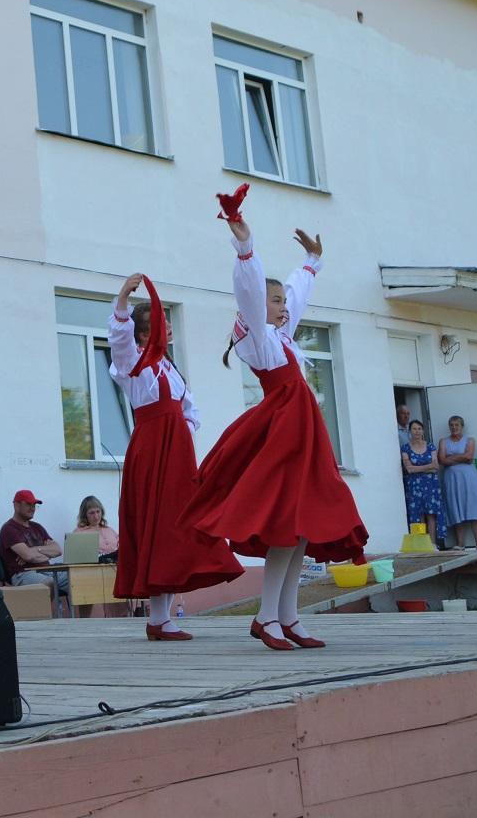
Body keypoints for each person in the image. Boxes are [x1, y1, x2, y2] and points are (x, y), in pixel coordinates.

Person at [181, 197, 368, 651]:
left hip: (303, 436)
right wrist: (245, 248)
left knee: (302, 528)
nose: (284, 306)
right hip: (284, 435)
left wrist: (312, 262)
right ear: (257, 308)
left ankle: (288, 616)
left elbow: (296, 295)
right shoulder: (260, 341)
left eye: (284, 301)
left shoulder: (281, 336)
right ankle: (266, 618)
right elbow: (250, 294)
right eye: (276, 301)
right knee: (287, 525)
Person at [107, 275, 243, 640]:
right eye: (159, 324)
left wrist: (183, 433)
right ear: (142, 333)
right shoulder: (132, 363)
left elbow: (189, 409)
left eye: (166, 323)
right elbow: (118, 339)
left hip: (176, 452)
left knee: (175, 525)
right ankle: (159, 618)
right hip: (152, 450)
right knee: (158, 524)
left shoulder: (169, 368)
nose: (167, 329)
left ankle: (161, 617)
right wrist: (122, 298)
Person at [0, 490, 69, 607]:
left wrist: (35, 550)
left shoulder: (37, 527)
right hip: (23, 574)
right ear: (16, 505)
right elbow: (28, 556)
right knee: (48, 583)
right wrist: (43, 552)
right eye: (28, 504)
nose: (32, 508)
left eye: (34, 505)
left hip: (47, 571)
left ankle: (85, 621)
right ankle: (44, 620)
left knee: (76, 579)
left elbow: (57, 550)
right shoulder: (9, 529)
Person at [437, 415, 477, 549]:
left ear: (462, 426)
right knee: (455, 507)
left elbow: (469, 457)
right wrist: (461, 457)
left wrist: (451, 458)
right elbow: (442, 460)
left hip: (469, 478)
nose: (454, 428)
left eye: (457, 425)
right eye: (452, 425)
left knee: (474, 506)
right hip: (451, 479)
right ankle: (460, 543)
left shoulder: (470, 440)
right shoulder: (443, 441)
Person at [401, 418, 444, 545]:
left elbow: (436, 466)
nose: (417, 431)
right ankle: (422, 544)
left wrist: (418, 468)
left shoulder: (430, 446)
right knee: (418, 515)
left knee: (431, 514)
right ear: (410, 431)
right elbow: (409, 469)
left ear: (423, 431)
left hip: (431, 484)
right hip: (414, 485)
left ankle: (432, 544)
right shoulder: (405, 448)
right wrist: (427, 467)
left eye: (419, 429)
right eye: (414, 429)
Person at [71, 496, 120, 561]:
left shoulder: (110, 530)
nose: (96, 516)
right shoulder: (79, 533)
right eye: (92, 513)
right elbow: (75, 557)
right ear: (84, 515)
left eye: (98, 511)